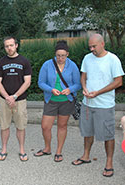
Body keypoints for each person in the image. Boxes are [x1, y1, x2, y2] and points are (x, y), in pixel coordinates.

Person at [72, 34, 124, 177]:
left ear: (102, 44)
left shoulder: (113, 59)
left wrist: (98, 92)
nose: (91, 49)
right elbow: (84, 76)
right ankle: (86, 156)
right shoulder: (87, 58)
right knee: (87, 132)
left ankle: (109, 163)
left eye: (94, 46)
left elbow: (118, 82)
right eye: (90, 46)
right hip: (87, 103)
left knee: (108, 135)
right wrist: (84, 88)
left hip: (105, 105)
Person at [35, 40, 81, 162]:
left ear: (67, 54)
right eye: (58, 55)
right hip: (51, 100)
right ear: (55, 54)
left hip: (66, 100)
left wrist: (69, 89)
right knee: (45, 126)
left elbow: (78, 84)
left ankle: (59, 151)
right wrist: (51, 89)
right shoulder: (47, 65)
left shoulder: (72, 66)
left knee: (62, 126)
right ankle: (47, 148)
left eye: (63, 56)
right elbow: (40, 83)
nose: (60, 58)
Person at [0, 36, 32, 162]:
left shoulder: (24, 61)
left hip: (20, 100)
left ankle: (22, 149)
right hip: (4, 100)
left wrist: (15, 96)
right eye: (6, 46)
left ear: (16, 45)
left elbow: (27, 82)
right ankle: (4, 149)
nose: (9, 48)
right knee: (4, 126)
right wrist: (7, 97)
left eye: (11, 45)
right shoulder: (0, 63)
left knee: (20, 126)